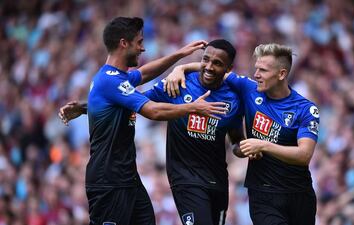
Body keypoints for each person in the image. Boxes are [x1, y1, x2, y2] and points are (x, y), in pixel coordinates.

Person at [59, 39, 260, 225]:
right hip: (185, 178)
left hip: (217, 180)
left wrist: (245, 149)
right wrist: (86, 107)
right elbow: (133, 102)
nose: (208, 66)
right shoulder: (178, 84)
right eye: (205, 59)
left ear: (228, 69)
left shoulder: (234, 99)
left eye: (217, 63)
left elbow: (235, 140)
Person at [75, 17, 228, 225]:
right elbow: (153, 111)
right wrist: (193, 107)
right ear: (123, 43)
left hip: (127, 177)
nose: (142, 48)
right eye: (139, 42)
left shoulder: (119, 77)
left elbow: (145, 73)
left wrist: (179, 56)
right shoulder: (110, 80)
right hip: (108, 179)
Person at [165, 43, 320, 225]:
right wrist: (180, 68)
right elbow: (214, 69)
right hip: (263, 194)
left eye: (263, 70)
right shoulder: (249, 89)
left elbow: (304, 155)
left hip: (299, 194)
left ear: (282, 74)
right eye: (256, 69)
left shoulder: (306, 109)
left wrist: (262, 145)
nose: (256, 75)